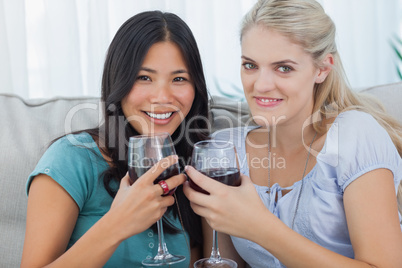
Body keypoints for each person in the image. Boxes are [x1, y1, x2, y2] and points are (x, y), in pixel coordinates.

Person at [183, 0, 402, 267]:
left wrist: (259, 226)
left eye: (283, 68)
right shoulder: (225, 149)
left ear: (322, 68)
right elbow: (223, 262)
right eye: (250, 65)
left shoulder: (355, 135)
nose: (261, 85)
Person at [21, 10, 209, 267]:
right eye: (144, 77)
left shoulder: (193, 165)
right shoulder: (72, 159)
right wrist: (118, 223)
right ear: (118, 82)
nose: (162, 97)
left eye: (179, 78)